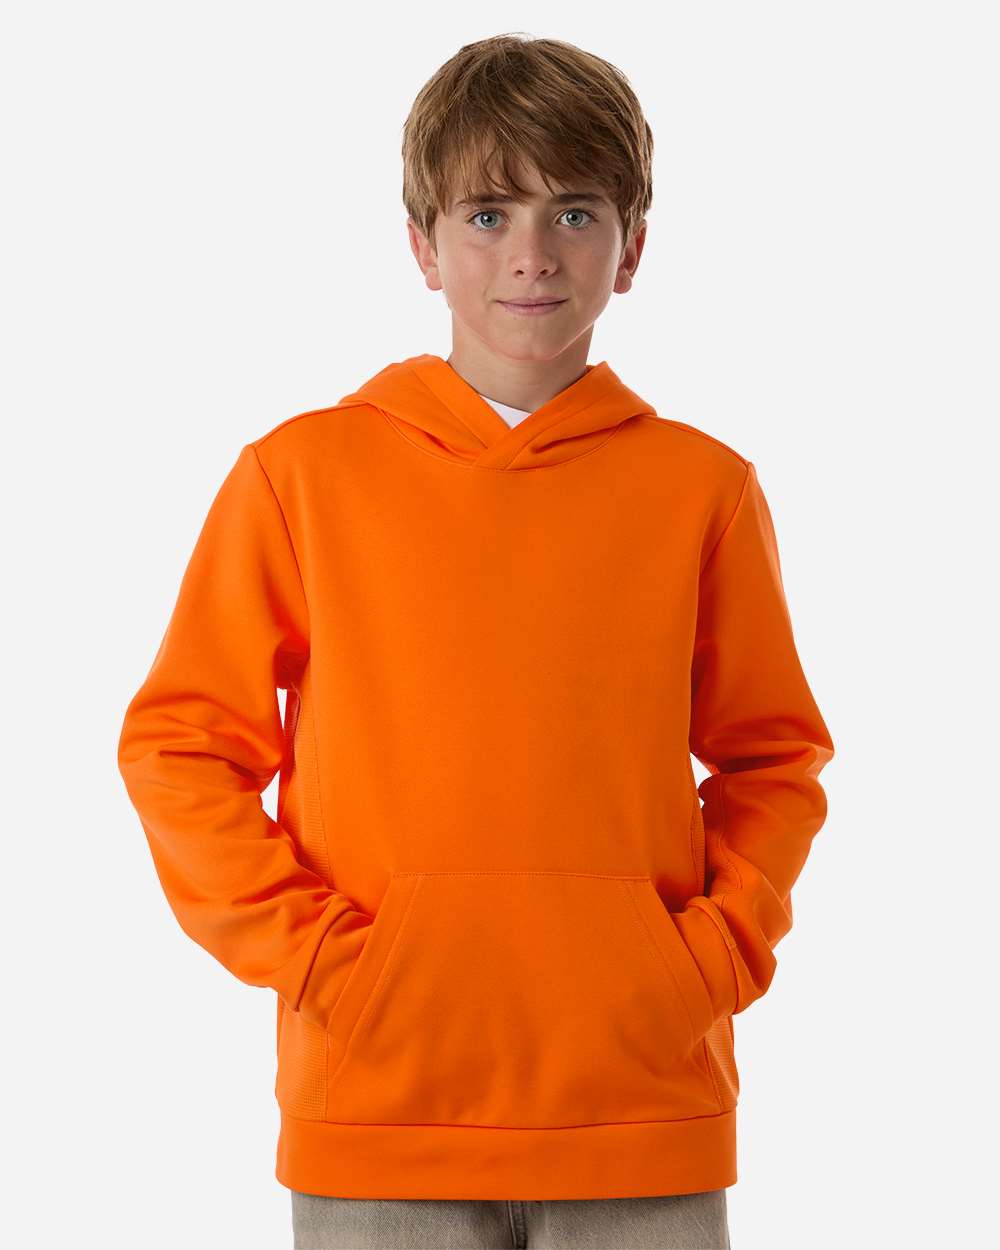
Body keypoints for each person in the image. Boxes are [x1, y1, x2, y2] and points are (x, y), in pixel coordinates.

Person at [117, 31, 834, 1250]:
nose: (531, 256)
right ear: (423, 245)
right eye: (489, 214)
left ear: (631, 249)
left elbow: (773, 759)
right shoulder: (302, 475)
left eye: (574, 213)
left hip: (639, 1104)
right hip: (378, 1107)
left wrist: (708, 959)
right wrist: (326, 963)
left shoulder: (700, 491)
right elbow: (180, 748)